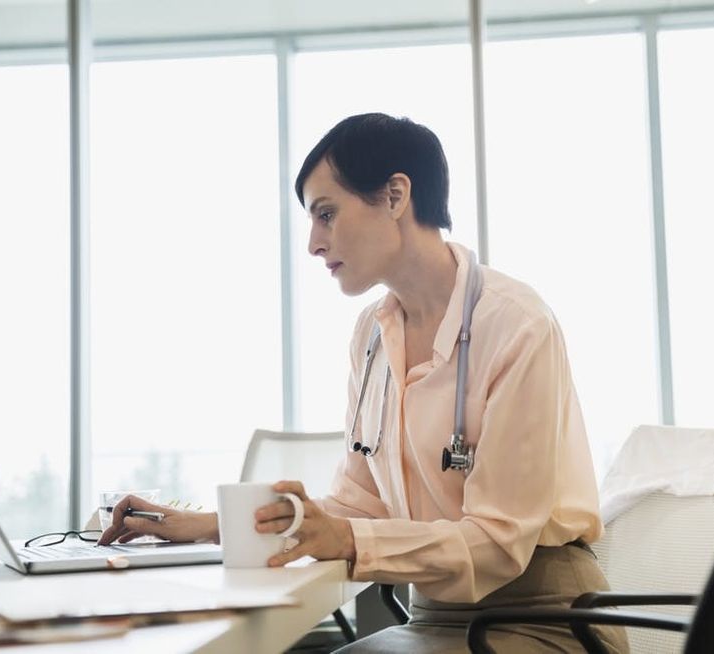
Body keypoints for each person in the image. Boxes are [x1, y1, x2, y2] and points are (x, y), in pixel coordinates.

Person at [99, 113, 628, 653]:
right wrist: (206, 525)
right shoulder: (372, 336)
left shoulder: (516, 324)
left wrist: (347, 538)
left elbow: (497, 543)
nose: (312, 242)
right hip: (433, 618)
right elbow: (359, 505)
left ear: (396, 196)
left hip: (545, 619)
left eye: (326, 214)